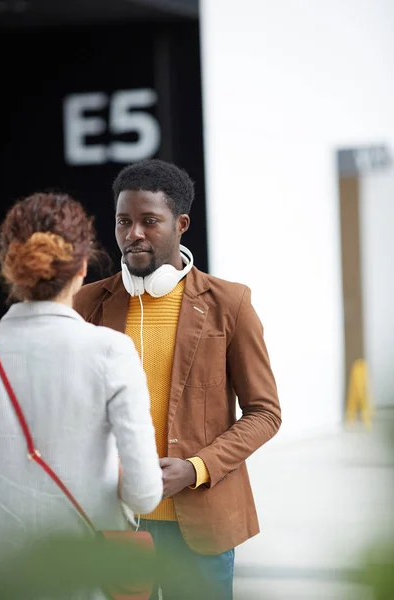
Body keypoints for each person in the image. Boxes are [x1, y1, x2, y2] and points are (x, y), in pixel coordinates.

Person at [73, 159, 282, 600]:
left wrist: (195, 469)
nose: (134, 234)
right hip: (115, 521)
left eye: (150, 221)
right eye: (123, 221)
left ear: (181, 224)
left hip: (201, 528)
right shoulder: (87, 303)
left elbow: (265, 413)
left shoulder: (231, 303)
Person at [0, 192, 163, 588]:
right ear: (82, 266)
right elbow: (144, 495)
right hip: (87, 574)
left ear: (10, 267)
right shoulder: (111, 351)